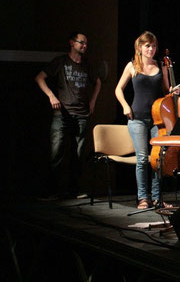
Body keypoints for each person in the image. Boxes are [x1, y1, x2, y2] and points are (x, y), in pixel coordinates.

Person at [35, 32, 101, 199]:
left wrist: (92, 101)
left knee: (78, 154)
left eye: (86, 43)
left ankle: (74, 190)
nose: (84, 46)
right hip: (62, 114)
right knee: (56, 152)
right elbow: (40, 77)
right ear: (72, 43)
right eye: (81, 43)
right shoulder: (61, 62)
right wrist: (51, 95)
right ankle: (52, 190)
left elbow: (98, 81)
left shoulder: (87, 65)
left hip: (82, 114)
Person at [115, 31, 171, 209]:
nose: (151, 49)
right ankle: (142, 198)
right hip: (137, 118)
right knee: (142, 159)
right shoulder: (132, 66)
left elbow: (166, 89)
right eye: (148, 46)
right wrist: (125, 106)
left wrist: (173, 91)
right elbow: (118, 89)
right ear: (140, 47)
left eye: (154, 46)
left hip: (157, 118)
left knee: (157, 159)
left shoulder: (160, 65)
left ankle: (156, 198)